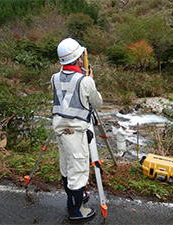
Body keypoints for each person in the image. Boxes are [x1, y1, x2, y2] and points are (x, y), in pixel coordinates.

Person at [51, 38, 102, 220]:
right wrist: (90, 81)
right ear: (77, 58)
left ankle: (75, 198)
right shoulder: (85, 81)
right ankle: (75, 211)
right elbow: (97, 103)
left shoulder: (54, 77)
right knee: (78, 171)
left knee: (66, 166)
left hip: (61, 132)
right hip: (76, 133)